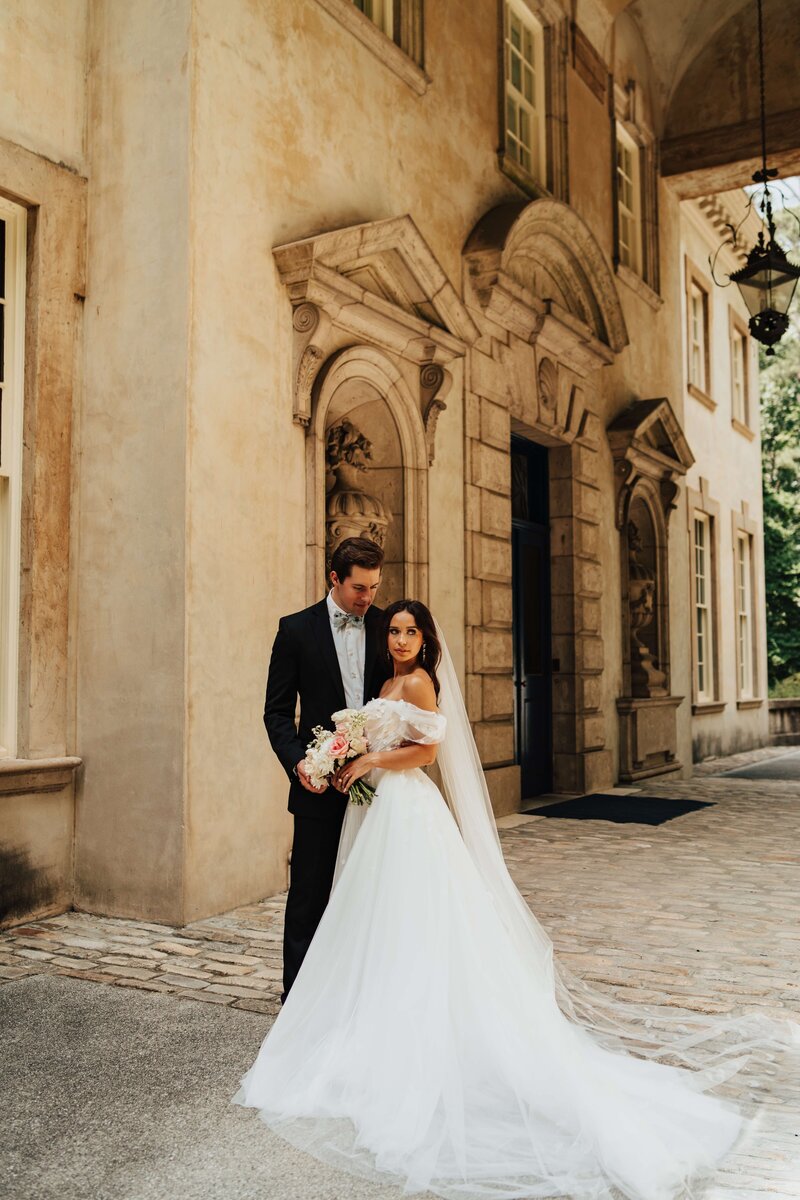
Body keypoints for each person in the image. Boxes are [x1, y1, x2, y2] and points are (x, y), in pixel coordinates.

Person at [238, 598, 798, 1200]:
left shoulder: (421, 683)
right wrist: (345, 753)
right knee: (379, 921)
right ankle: (369, 1017)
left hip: (407, 812)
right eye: (395, 630)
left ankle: (416, 1032)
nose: (399, 638)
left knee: (414, 918)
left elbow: (426, 753)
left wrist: (370, 755)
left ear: (425, 638)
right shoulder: (387, 678)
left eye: (409, 630)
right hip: (378, 814)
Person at [263, 536, 389, 1002]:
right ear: (334, 579)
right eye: (359, 587)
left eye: (374, 587)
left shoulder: (386, 627)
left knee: (370, 893)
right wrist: (300, 762)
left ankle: (362, 993)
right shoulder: (295, 630)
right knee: (309, 896)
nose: (368, 598)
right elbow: (276, 712)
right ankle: (298, 998)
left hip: (377, 785)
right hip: (317, 790)